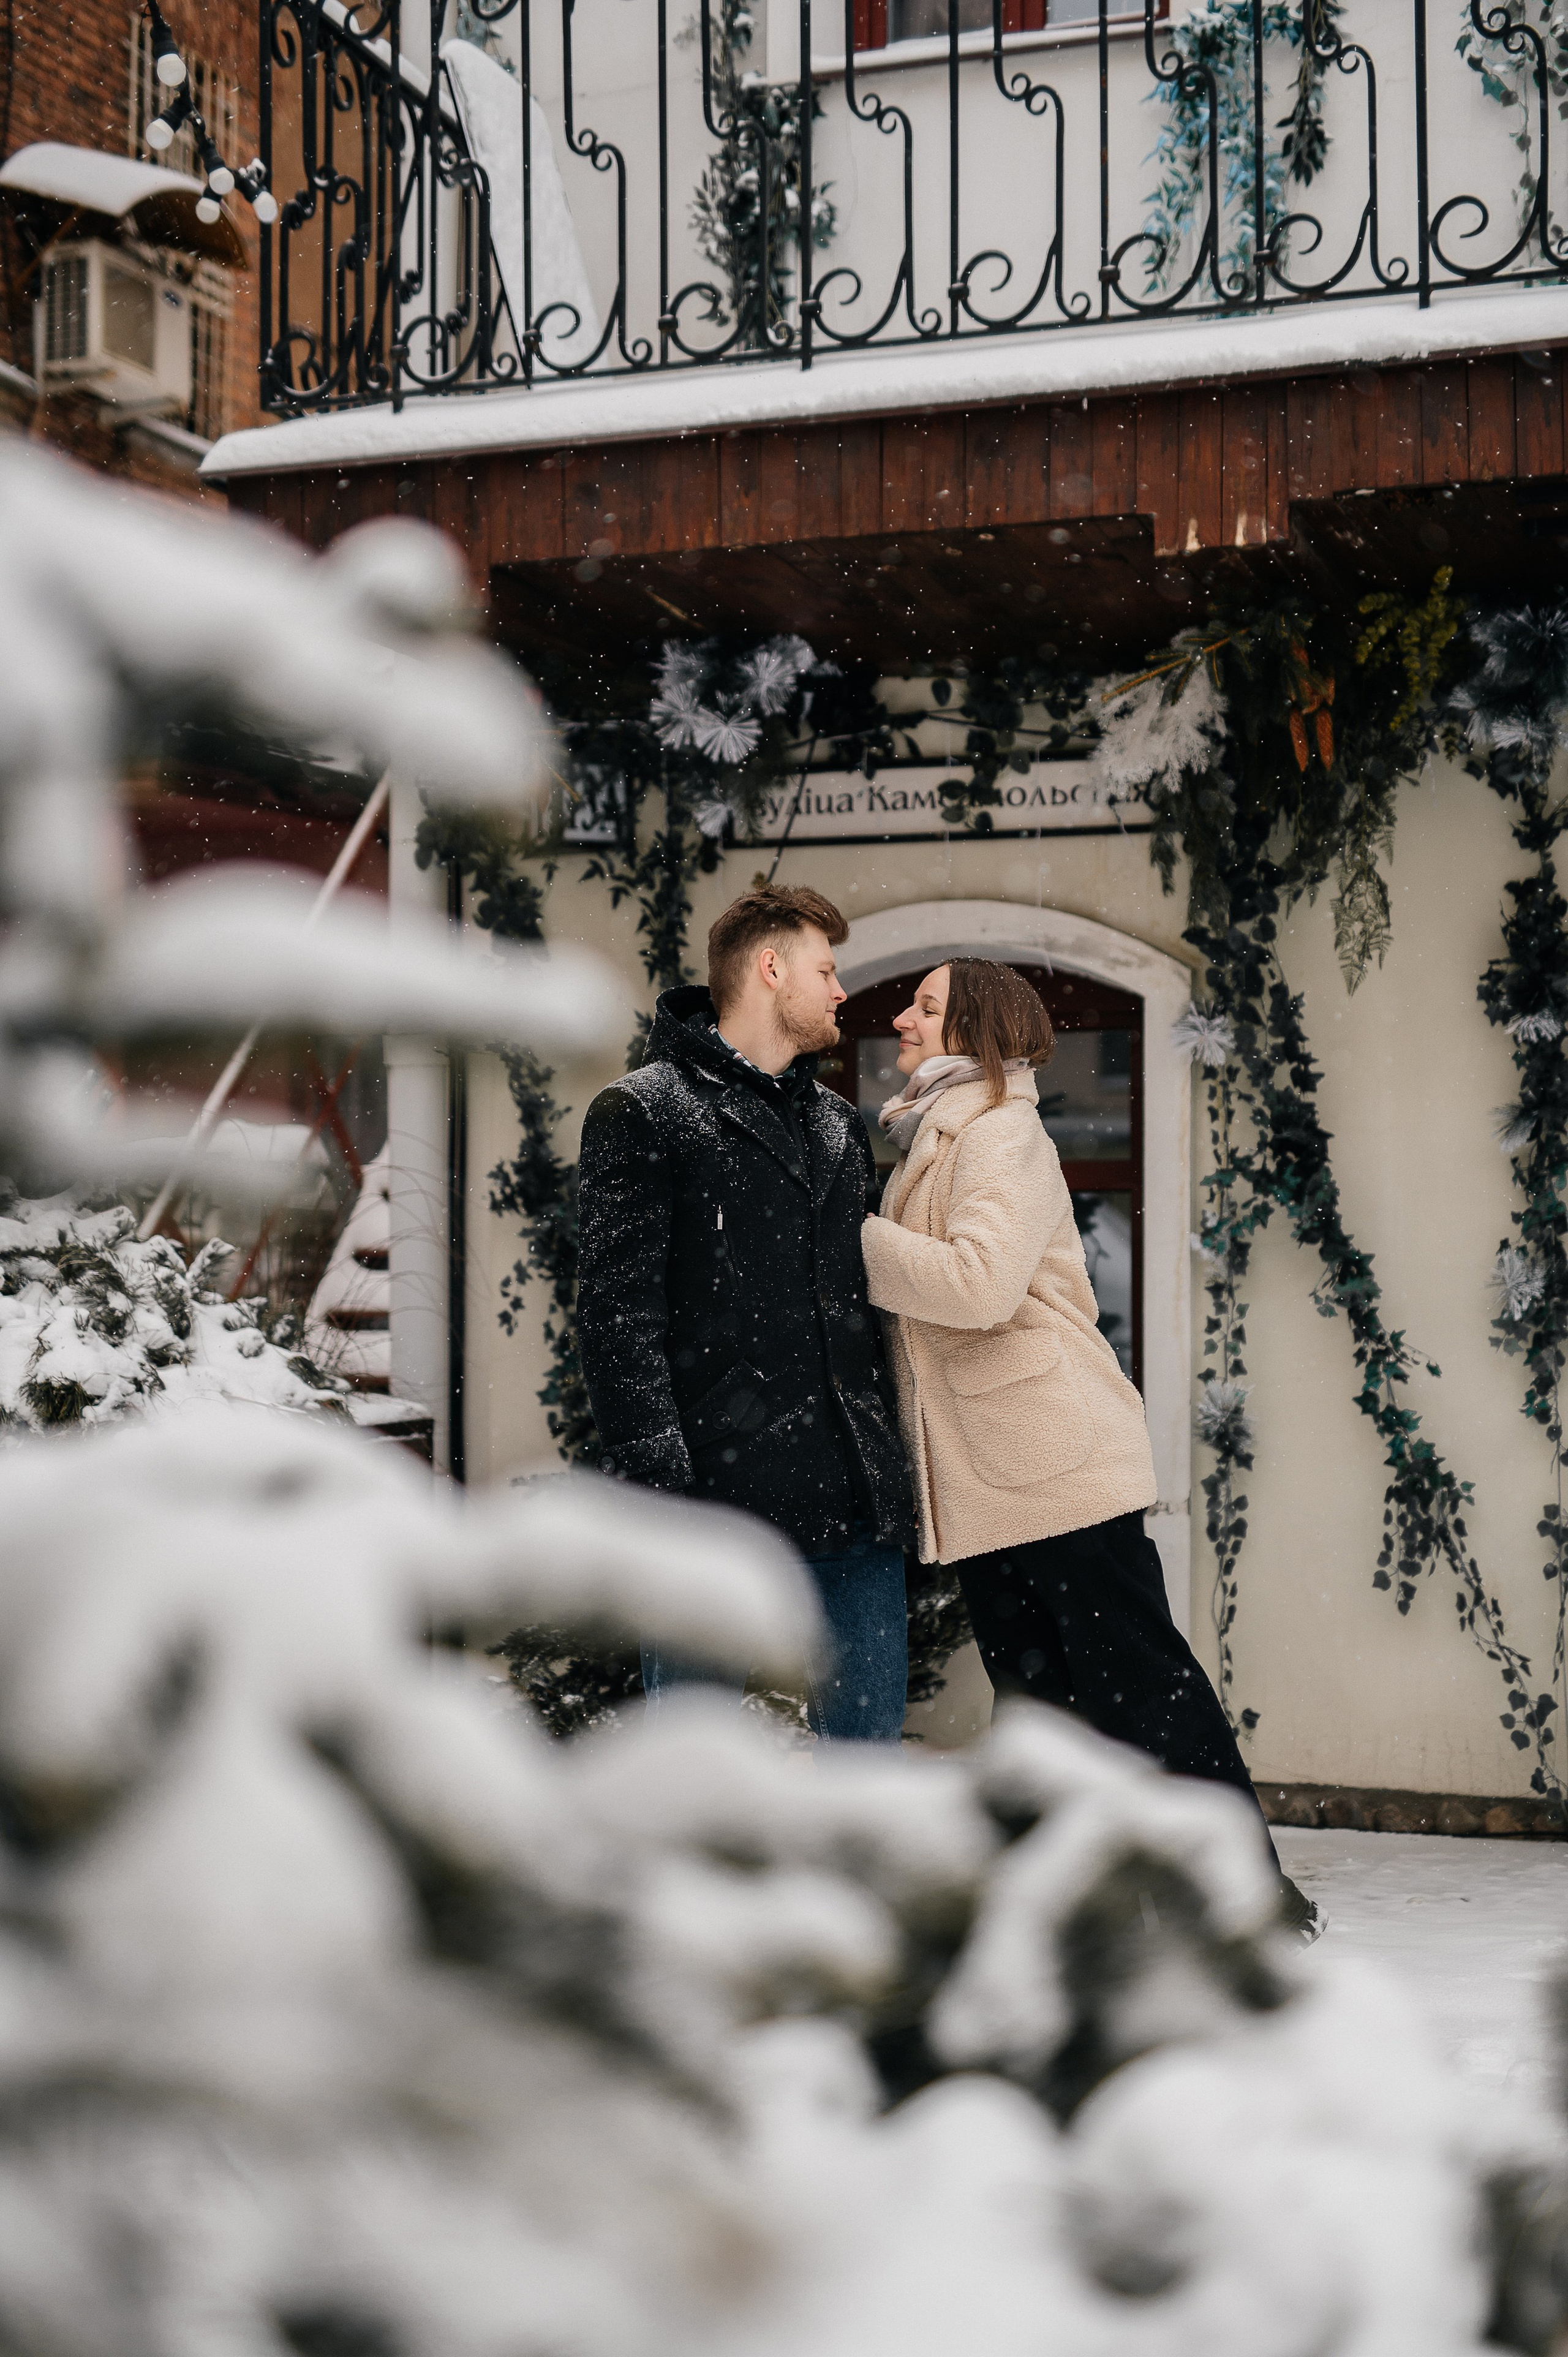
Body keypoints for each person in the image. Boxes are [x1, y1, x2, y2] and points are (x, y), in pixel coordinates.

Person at [861, 956, 1325, 1939]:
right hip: (996, 1477)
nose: (902, 1016)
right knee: (1043, 1710)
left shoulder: (1001, 1134)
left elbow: (979, 1287)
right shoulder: (936, 1132)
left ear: (975, 1032)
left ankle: (1246, 1903)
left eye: (927, 1005)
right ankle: (1076, 1920)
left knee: (1142, 1692)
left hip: (1055, 1463)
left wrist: (846, 1240)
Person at [575, 883, 913, 1743]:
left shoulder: (838, 1124)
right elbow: (618, 1318)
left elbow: (859, 1306)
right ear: (770, 969)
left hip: (853, 1502)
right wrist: (661, 1486)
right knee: (697, 1772)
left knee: (865, 1767)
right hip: (713, 1506)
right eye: (825, 970)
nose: (842, 991)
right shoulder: (644, 1112)